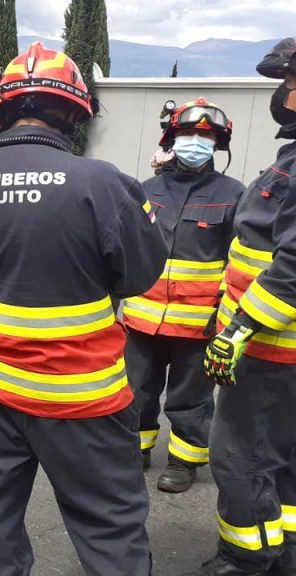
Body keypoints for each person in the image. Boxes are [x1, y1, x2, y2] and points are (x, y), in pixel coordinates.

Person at [0, 42, 167, 575]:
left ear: (2, 111)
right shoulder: (105, 185)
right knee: (109, 532)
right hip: (84, 400)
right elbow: (143, 273)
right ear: (74, 113)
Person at [192, 38, 296, 576]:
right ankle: (285, 550)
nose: (284, 95)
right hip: (278, 353)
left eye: (291, 83)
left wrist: (238, 330)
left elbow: (292, 269)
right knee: (283, 459)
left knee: (241, 455)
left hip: (270, 351)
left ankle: (247, 559)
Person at [122, 98, 244, 494]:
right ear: (173, 139)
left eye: (205, 136)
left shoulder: (233, 195)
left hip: (198, 323)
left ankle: (183, 462)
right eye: (189, 134)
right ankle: (135, 451)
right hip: (142, 320)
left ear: (218, 145)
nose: (195, 141)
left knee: (190, 400)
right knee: (136, 390)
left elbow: (239, 262)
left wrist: (226, 318)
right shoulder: (147, 189)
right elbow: (125, 248)